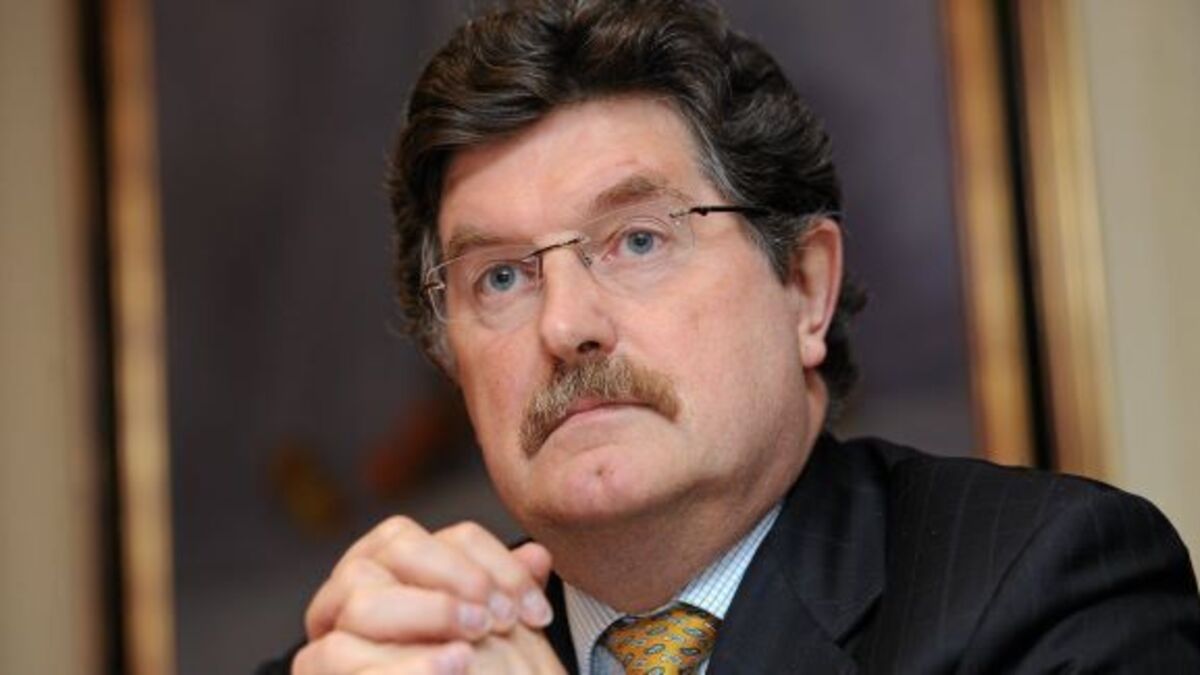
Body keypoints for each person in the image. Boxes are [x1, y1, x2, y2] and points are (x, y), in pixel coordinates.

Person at [260, 1, 1200, 672]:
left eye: (638, 240)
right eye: (500, 276)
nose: (567, 324)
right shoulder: (369, 659)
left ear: (804, 287)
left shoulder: (1052, 586)